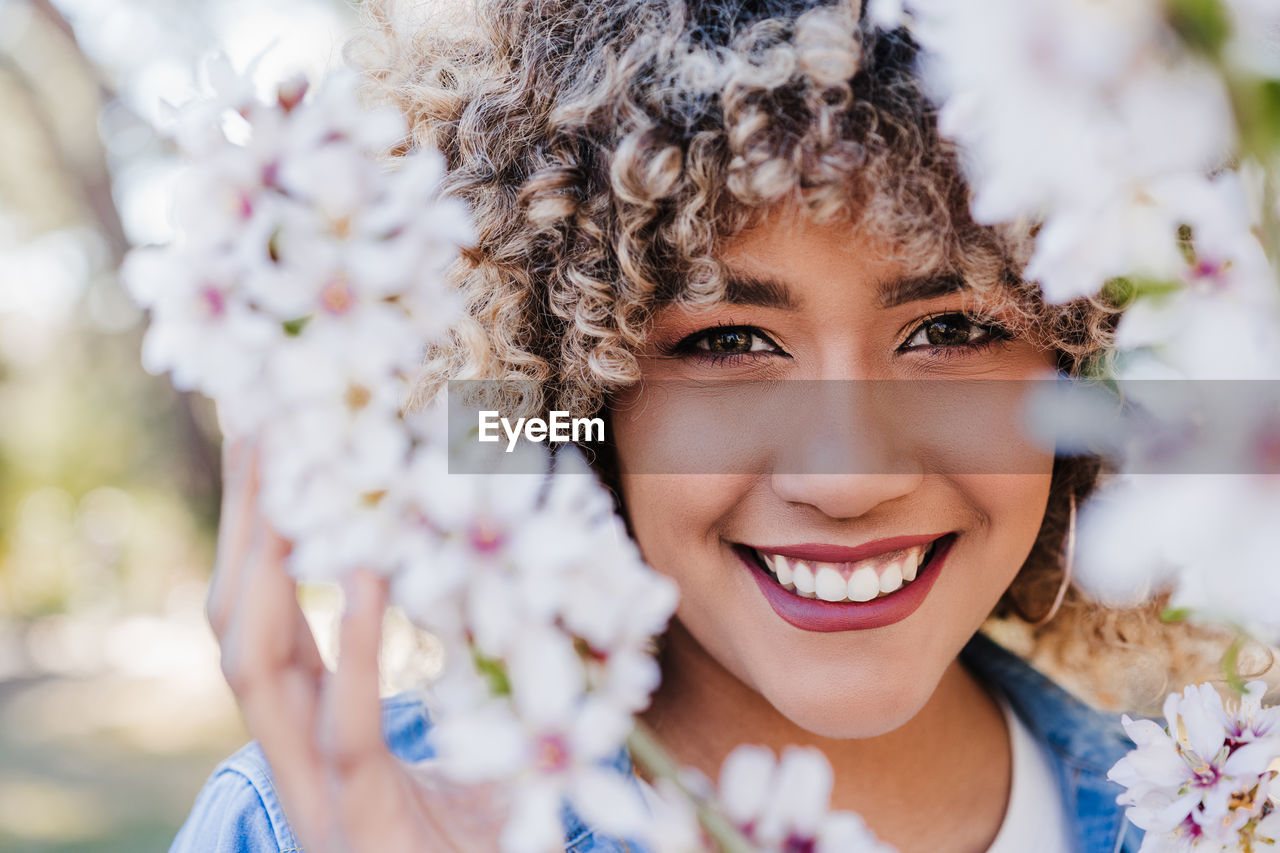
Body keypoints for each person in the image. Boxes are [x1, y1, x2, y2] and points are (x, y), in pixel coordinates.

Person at [171, 1, 1167, 851]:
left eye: (948, 329)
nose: (848, 478)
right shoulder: (302, 824)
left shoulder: (1212, 817)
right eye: (728, 340)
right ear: (566, 394)